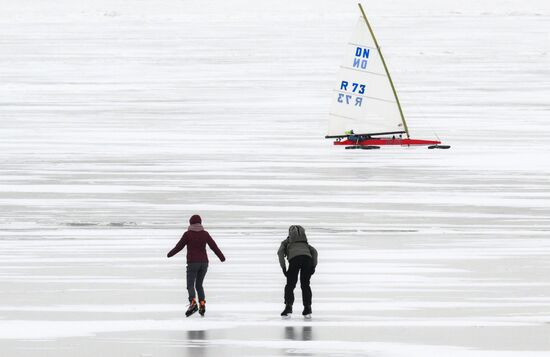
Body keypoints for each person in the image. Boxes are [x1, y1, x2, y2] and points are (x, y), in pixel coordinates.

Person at [167, 214, 225, 317]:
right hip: (204, 263)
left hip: (193, 263)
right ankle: (202, 304)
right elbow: (214, 246)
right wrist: (221, 257)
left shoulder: (188, 234)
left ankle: (193, 303)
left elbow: (179, 247)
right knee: (199, 285)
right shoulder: (205, 234)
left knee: (190, 284)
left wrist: (169, 254)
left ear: (190, 223)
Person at [277, 225, 318, 319]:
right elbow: (315, 252)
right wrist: (313, 266)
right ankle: (307, 308)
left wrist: (283, 268)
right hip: (307, 259)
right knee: (305, 285)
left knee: (290, 285)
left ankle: (288, 307)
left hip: (294, 260)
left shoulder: (286, 242)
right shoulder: (306, 244)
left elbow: (280, 253)